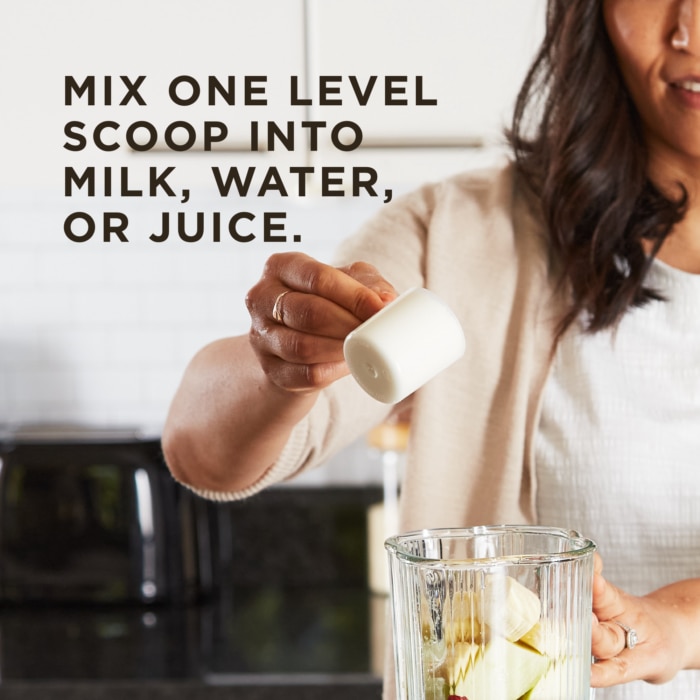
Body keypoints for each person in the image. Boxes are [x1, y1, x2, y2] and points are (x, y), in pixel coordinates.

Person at [162, 0, 700, 697]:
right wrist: (280, 365)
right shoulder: (460, 235)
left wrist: (680, 624)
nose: (689, 28)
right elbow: (202, 453)